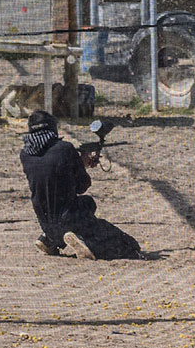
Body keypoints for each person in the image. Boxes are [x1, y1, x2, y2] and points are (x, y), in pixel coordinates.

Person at [19, 110, 141, 260]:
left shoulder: (25, 155)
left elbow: (48, 176)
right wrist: (80, 164)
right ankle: (80, 239)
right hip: (69, 217)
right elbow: (82, 186)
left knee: (75, 209)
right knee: (129, 246)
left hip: (45, 222)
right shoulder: (65, 149)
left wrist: (74, 163)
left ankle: (49, 239)